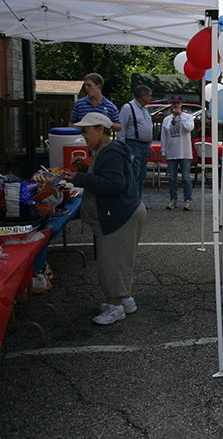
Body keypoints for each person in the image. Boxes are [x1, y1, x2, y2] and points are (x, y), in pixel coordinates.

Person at [63, 113, 146, 326]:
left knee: (111, 263)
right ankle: (125, 299)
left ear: (101, 129)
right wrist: (84, 169)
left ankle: (116, 306)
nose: (83, 135)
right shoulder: (105, 151)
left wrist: (79, 178)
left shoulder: (110, 152)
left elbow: (113, 183)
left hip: (118, 215)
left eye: (86, 130)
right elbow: (108, 176)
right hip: (122, 212)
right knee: (120, 260)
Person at [159, 95, 194, 211]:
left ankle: (187, 200)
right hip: (171, 151)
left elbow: (188, 128)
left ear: (181, 105)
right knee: (172, 177)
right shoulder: (167, 119)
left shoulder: (188, 117)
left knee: (186, 178)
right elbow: (163, 136)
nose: (175, 106)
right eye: (174, 103)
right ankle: (173, 199)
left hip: (184, 152)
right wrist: (163, 151)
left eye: (177, 103)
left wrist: (180, 117)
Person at [118, 85, 153, 198]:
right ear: (143, 96)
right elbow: (121, 128)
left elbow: (148, 127)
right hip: (133, 145)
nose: (150, 98)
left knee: (142, 175)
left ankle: (138, 199)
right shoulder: (128, 108)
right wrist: (122, 147)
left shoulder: (144, 109)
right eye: (149, 95)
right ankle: (132, 200)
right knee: (134, 175)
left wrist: (150, 145)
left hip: (144, 146)